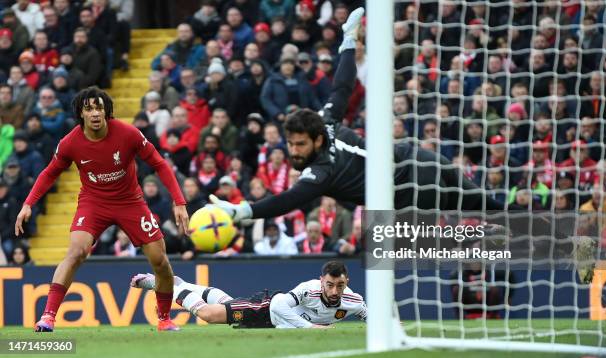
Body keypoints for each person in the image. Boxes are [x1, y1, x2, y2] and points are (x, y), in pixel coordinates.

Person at [209, 8, 513, 223]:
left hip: (410, 179)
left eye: (300, 144)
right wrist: (348, 41)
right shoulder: (324, 127)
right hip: (412, 174)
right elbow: (341, 86)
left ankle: (545, 237)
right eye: (290, 143)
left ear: (315, 139)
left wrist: (244, 211)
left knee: (478, 209)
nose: (293, 150)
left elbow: (284, 201)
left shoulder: (320, 172)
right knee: (480, 205)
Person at [14, 87, 190, 332]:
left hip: (131, 202)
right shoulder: (70, 142)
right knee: (76, 251)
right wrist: (28, 204)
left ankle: (164, 319)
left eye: (99, 108)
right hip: (93, 202)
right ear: (81, 114)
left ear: (107, 111)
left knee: (160, 261)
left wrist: (179, 201)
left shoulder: (128, 134)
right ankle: (48, 316)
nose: (95, 113)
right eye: (89, 109)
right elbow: (49, 172)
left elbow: (159, 163)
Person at [131, 260, 367, 328]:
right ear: (321, 281)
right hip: (266, 310)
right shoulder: (309, 288)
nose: (334, 291)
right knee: (209, 315)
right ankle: (165, 286)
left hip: (270, 323)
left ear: (347, 282)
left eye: (340, 285)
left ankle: (181, 283)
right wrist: (309, 328)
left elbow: (369, 314)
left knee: (228, 304)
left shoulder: (353, 301)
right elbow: (278, 306)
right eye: (330, 285)